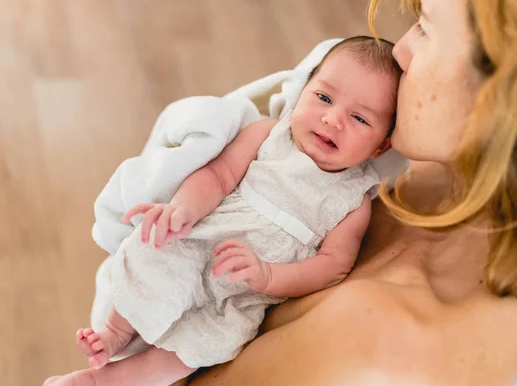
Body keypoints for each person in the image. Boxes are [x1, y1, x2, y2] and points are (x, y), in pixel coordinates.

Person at [44, 36, 401, 386]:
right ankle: (114, 334)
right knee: (155, 258)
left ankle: (104, 381)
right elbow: (219, 174)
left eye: (359, 118)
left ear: (381, 147)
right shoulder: (268, 135)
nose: (333, 119)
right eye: (323, 97)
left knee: (205, 344)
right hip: (202, 241)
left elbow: (332, 266)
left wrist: (269, 277)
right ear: (301, 92)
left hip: (243, 291)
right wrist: (181, 209)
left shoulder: (353, 202)